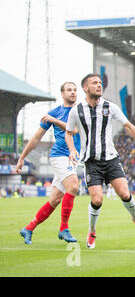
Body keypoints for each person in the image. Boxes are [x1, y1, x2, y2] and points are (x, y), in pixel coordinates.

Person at [65, 73, 135, 249]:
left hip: (111, 159)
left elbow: (128, 126)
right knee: (98, 199)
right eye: (95, 83)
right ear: (85, 88)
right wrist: (72, 149)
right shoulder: (76, 111)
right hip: (91, 162)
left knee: (124, 193)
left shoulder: (110, 107)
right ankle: (92, 231)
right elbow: (68, 133)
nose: (99, 85)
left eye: (100, 83)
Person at [16, 82, 81, 244]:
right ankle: (63, 229)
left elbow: (74, 130)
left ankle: (28, 228)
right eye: (69, 90)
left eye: (75, 90)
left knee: (55, 199)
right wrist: (22, 157)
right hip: (59, 156)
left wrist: (54, 120)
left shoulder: (80, 111)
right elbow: (36, 138)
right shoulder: (55, 112)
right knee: (73, 186)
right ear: (62, 93)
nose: (73, 93)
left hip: (73, 158)